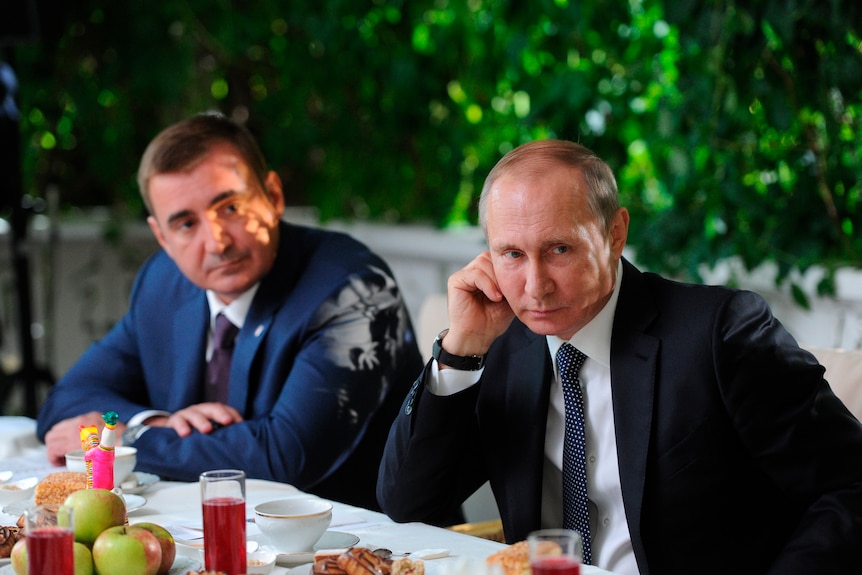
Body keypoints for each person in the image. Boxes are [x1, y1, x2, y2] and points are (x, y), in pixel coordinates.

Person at [377, 139, 862, 573]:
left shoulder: (719, 334)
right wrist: (460, 352)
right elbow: (407, 501)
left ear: (615, 234)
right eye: (512, 255)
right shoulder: (498, 342)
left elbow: (849, 488)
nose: (535, 286)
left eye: (559, 248)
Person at [37, 113, 423, 511]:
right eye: (186, 224)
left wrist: (126, 439)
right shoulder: (162, 284)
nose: (217, 242)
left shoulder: (351, 288)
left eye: (231, 207)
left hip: (370, 548)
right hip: (210, 537)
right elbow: (66, 399)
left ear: (273, 196)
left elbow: (284, 456)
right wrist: (153, 422)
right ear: (162, 237)